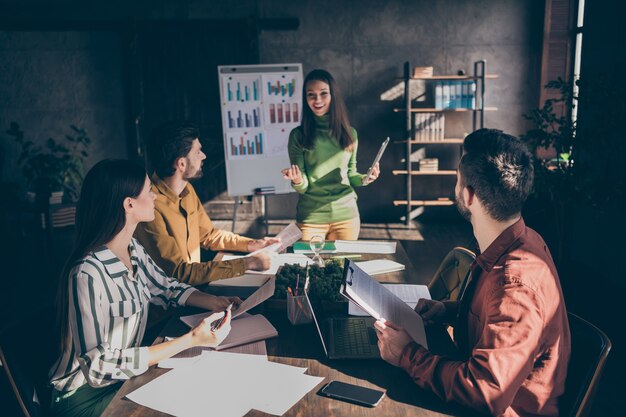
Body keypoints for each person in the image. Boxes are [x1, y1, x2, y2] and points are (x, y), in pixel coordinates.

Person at [375, 129, 571, 417]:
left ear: (468, 196)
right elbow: (496, 314)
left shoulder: (515, 287)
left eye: (457, 178)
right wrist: (448, 310)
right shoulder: (523, 239)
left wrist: (406, 354)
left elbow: (484, 392)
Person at [49, 159, 240, 417]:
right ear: (129, 204)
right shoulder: (87, 274)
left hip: (123, 380)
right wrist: (190, 340)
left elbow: (166, 287)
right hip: (81, 398)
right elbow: (98, 366)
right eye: (149, 191)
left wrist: (213, 301)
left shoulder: (133, 249)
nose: (154, 197)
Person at [135, 121, 278, 286]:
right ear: (181, 164)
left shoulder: (187, 190)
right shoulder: (150, 206)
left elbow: (208, 235)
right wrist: (248, 263)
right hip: (172, 306)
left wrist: (252, 244)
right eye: (198, 152)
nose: (204, 156)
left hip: (194, 291)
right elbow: (179, 273)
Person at [281, 69, 379, 241]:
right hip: (311, 217)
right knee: (309, 267)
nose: (317, 100)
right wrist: (297, 180)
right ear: (305, 98)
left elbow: (351, 175)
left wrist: (365, 178)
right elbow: (304, 186)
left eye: (323, 93)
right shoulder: (298, 135)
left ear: (333, 95)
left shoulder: (350, 134)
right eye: (311, 94)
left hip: (346, 216)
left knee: (342, 267)